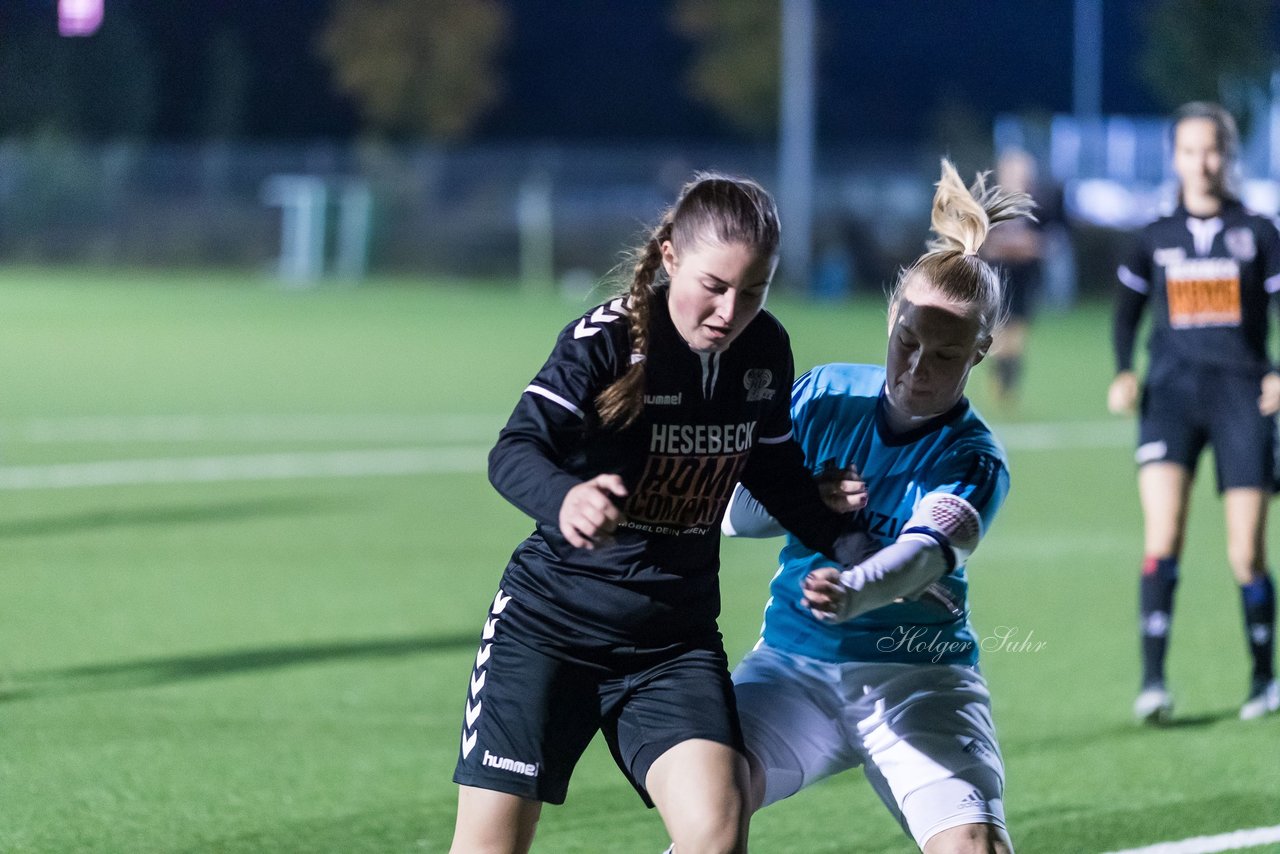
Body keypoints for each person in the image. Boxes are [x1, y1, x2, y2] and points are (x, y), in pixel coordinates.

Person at [449, 173, 871, 854]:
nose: (730, 311)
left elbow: (777, 476)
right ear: (671, 257)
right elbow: (514, 450)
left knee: (716, 831)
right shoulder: (605, 341)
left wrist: (865, 554)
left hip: (671, 644)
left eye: (753, 291)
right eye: (714, 285)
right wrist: (566, 497)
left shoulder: (764, 351)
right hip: (547, 630)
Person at [718, 159, 1030, 853]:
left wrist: (855, 590)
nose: (917, 368)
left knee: (974, 845)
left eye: (944, 356)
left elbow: (922, 556)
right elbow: (733, 515)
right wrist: (803, 500)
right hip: (792, 669)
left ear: (980, 353)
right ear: (891, 317)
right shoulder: (824, 394)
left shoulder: (973, 459)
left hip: (919, 677)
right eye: (907, 342)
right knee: (706, 809)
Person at [1107, 101, 1280, 723]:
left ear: (1229, 157)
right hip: (1172, 399)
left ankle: (1265, 679)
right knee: (1163, 537)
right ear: (1174, 157)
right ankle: (1153, 684)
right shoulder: (1152, 238)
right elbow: (1125, 316)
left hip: (1242, 398)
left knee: (1246, 553)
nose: (1201, 162)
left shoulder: (1259, 233)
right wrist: (1125, 371)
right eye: (1189, 150)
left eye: (1213, 150)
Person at [978, 147, 1059, 408]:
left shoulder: (1039, 206)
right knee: (998, 333)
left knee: (1018, 335)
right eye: (1012, 171)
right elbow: (984, 243)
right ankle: (999, 379)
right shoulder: (988, 205)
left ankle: (1009, 387)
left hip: (1025, 277)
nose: (1017, 177)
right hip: (996, 275)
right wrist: (1013, 246)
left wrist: (1026, 245)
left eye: (1022, 172)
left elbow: (1046, 243)